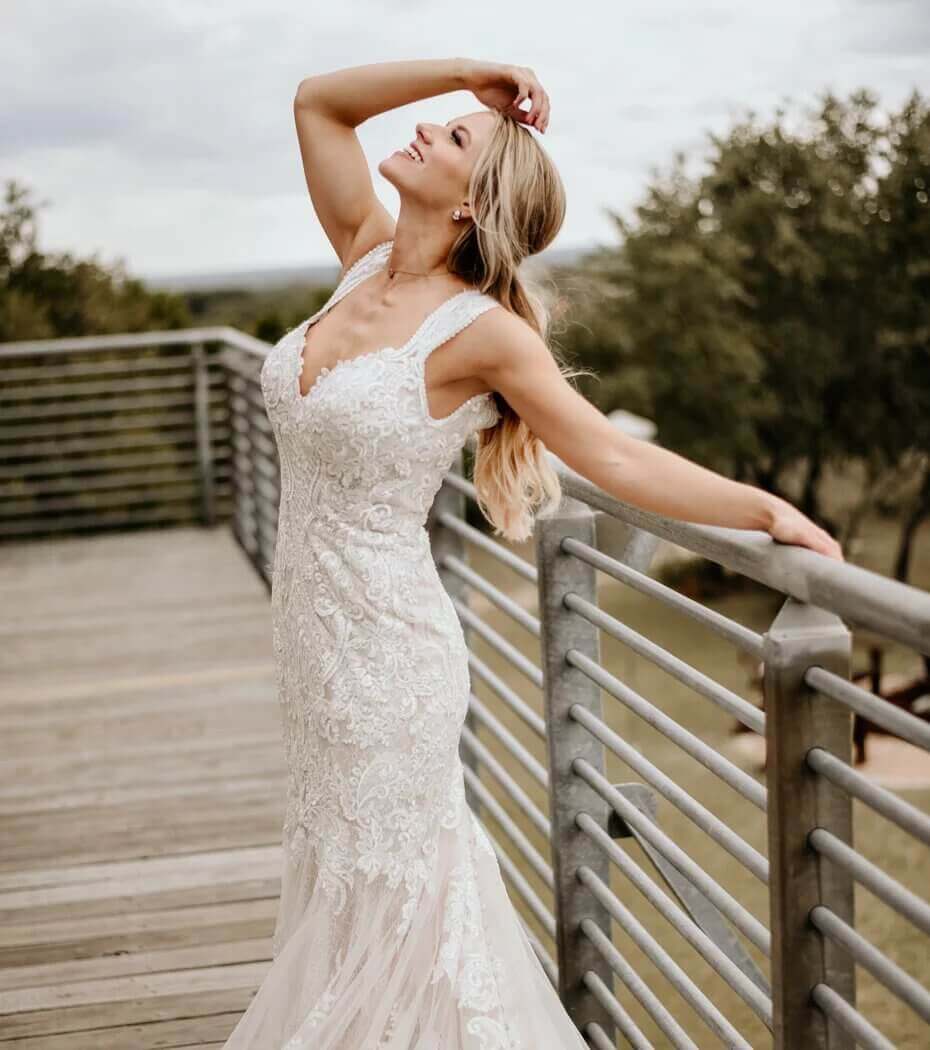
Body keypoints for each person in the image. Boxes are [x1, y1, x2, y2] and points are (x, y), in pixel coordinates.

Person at [222, 57, 844, 1050]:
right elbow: (316, 101)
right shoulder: (362, 253)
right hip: (310, 652)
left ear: (471, 206)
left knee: (399, 890)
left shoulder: (485, 335)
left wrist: (765, 511)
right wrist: (475, 74)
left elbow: (605, 453)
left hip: (389, 660)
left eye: (456, 137)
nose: (427, 130)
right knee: (342, 875)